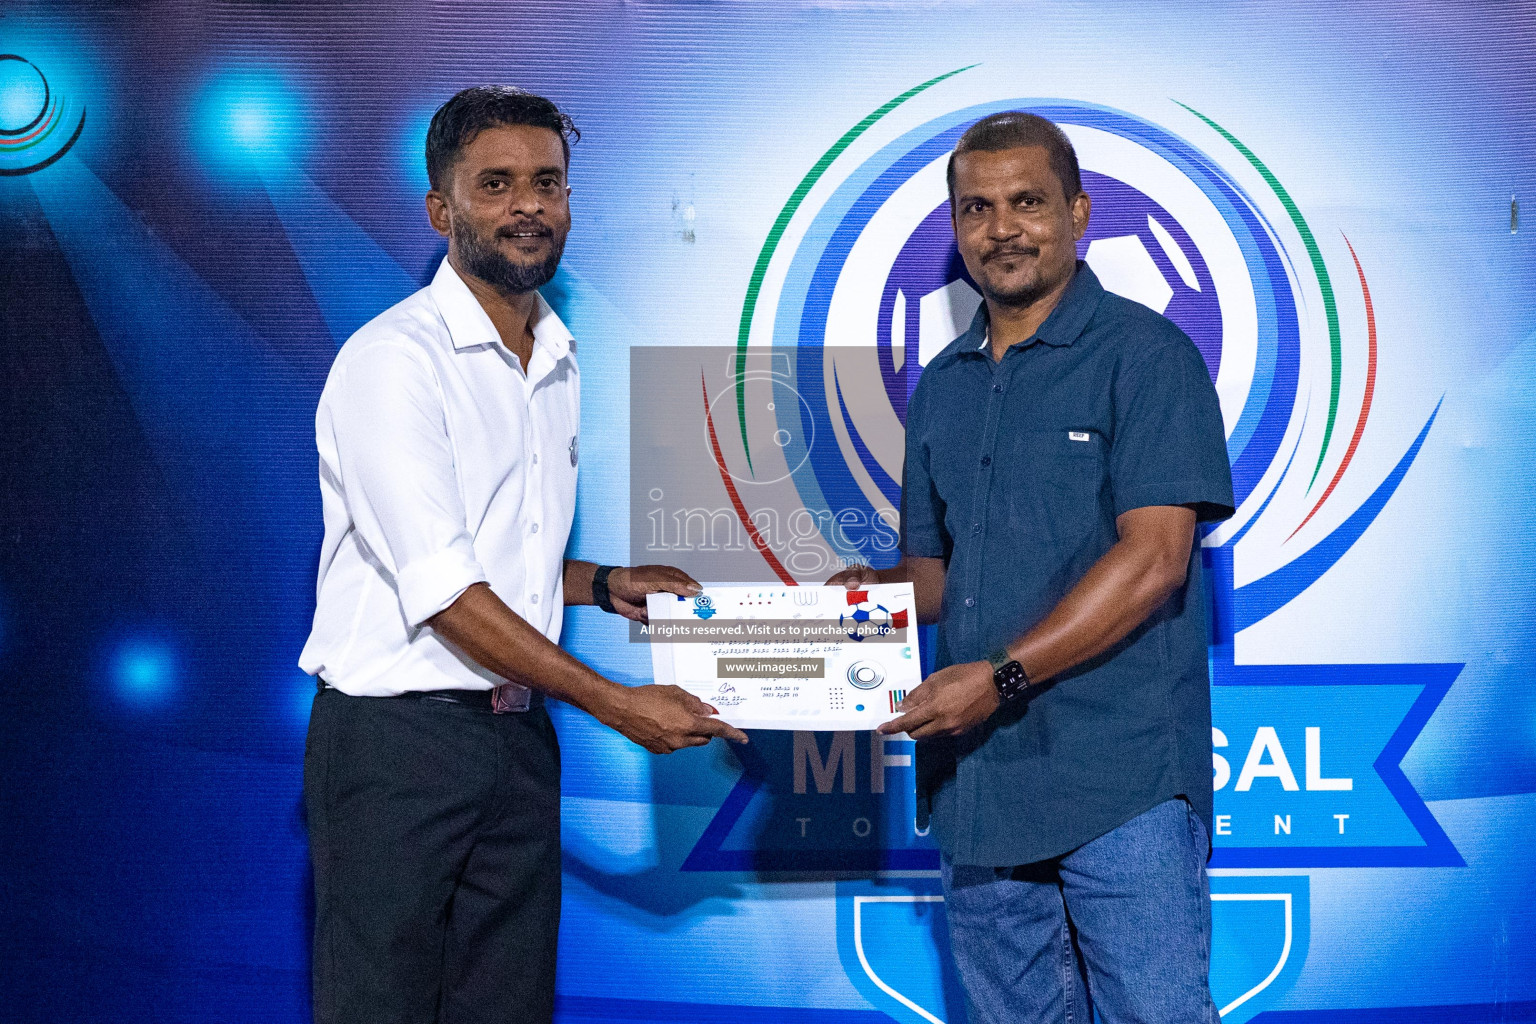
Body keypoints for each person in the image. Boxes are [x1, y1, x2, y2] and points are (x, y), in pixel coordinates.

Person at [298, 86, 748, 1024]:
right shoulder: (394, 361)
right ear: (441, 210)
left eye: (547, 182)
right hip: (396, 750)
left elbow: (503, 550)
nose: (528, 205)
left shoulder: (554, 356)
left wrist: (606, 583)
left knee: (507, 1009)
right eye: (496, 184)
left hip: (515, 738)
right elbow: (446, 590)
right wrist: (617, 704)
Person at [829, 112, 1234, 1023]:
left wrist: (1004, 678)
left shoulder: (1147, 356)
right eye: (977, 207)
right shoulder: (944, 383)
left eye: (1027, 202)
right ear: (957, 227)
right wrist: (851, 602)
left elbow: (1156, 561)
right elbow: (936, 576)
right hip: (980, 787)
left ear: (1079, 213)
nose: (1002, 227)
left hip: (1119, 781)